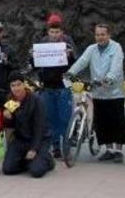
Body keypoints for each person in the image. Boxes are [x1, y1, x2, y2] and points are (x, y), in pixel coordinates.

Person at [66, 24, 125, 163]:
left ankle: (118, 151)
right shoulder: (91, 49)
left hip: (114, 91)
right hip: (98, 91)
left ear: (109, 35)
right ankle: (109, 150)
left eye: (103, 34)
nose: (100, 37)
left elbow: (116, 66)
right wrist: (70, 72)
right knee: (102, 121)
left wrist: (109, 78)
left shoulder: (116, 47)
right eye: (98, 35)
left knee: (117, 121)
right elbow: (82, 62)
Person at [32, 20, 78, 159]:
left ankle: (67, 146)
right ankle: (56, 147)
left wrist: (70, 57)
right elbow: (35, 66)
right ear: (48, 32)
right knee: (50, 118)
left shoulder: (68, 46)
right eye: (52, 32)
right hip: (47, 87)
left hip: (63, 87)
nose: (54, 34)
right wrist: (31, 57)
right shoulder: (41, 46)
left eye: (57, 32)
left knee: (65, 118)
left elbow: (75, 65)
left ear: (62, 33)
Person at [2, 72, 54, 178]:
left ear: (24, 84)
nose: (16, 88)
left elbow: (39, 127)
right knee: (8, 169)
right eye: (13, 85)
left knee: (36, 172)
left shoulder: (36, 100)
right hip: (21, 139)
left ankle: (48, 160)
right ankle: (29, 161)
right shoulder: (10, 100)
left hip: (40, 139)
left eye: (18, 84)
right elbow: (11, 126)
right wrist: (8, 118)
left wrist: (33, 148)